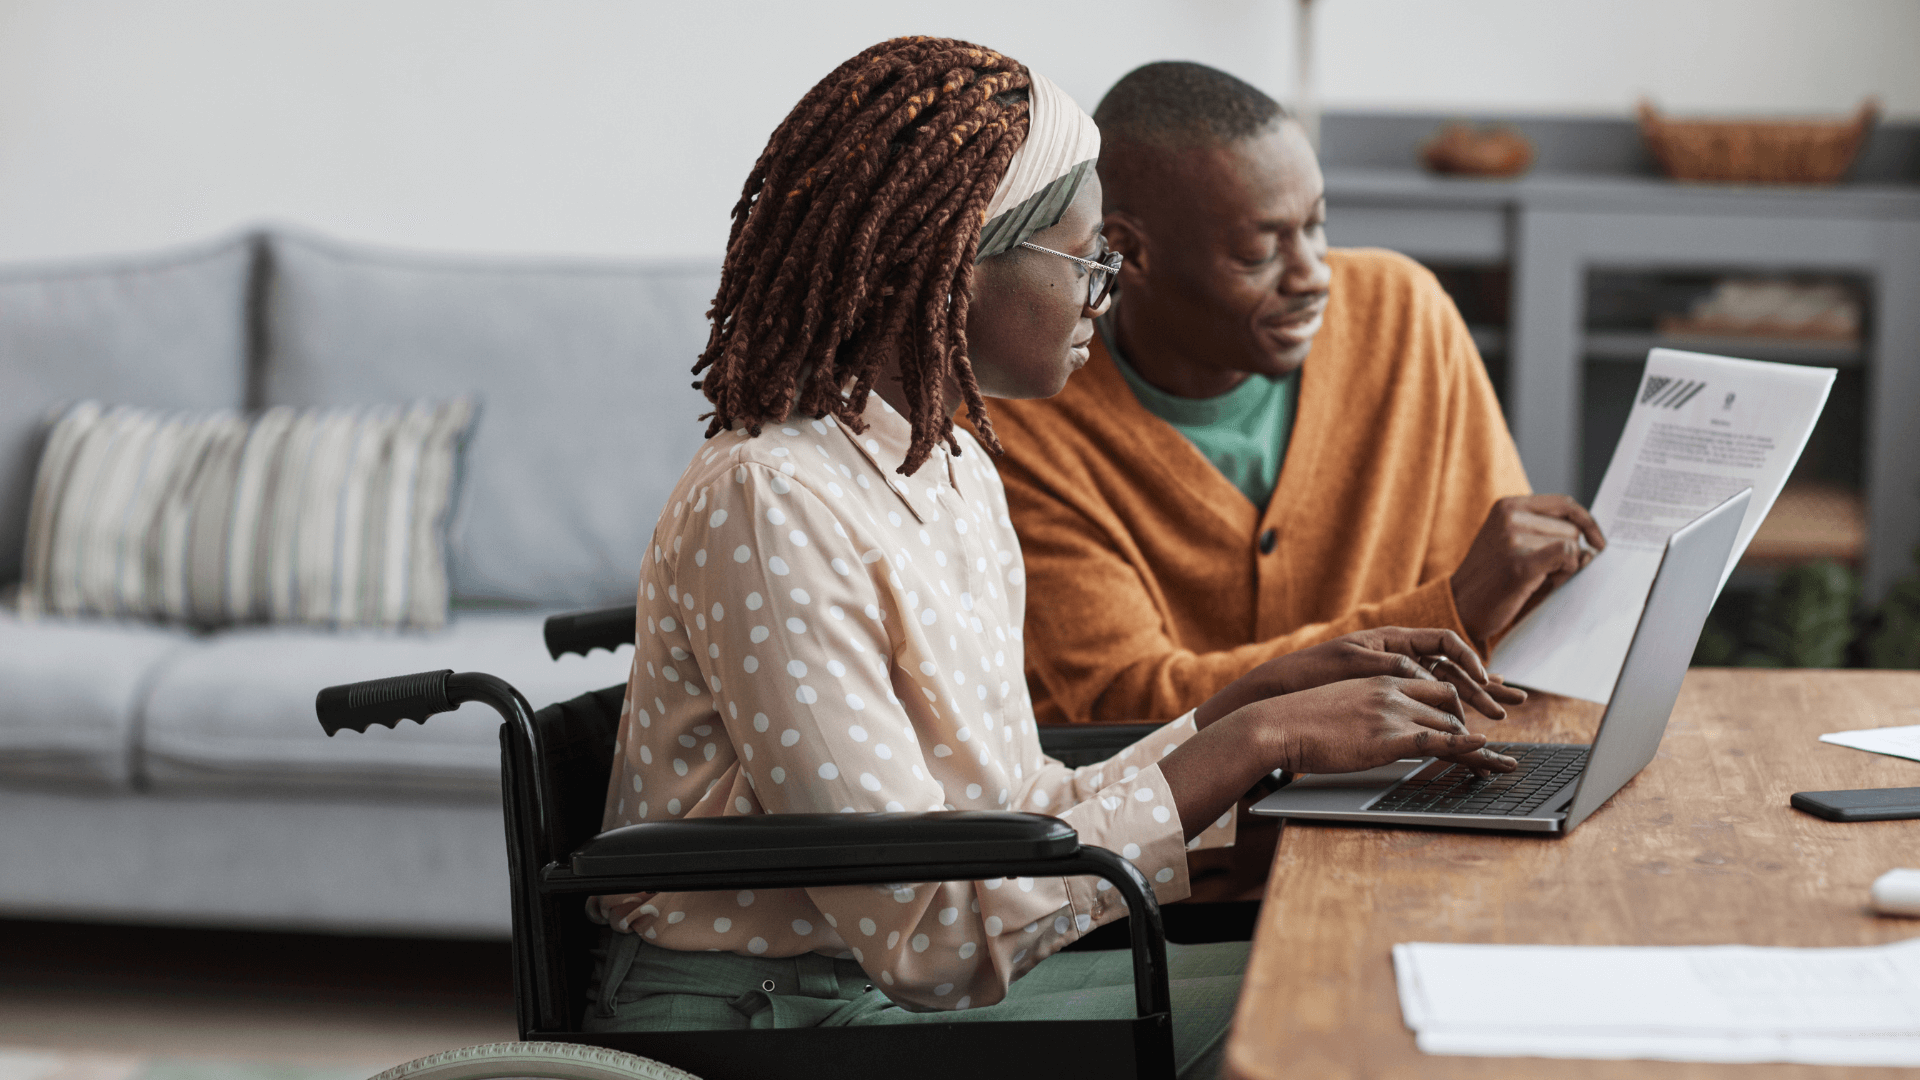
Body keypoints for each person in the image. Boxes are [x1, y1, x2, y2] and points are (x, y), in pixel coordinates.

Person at [584, 37, 1516, 1080]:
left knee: (1354, 977)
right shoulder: (769, 500)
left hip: (887, 991)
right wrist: (1251, 743)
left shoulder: (953, 469)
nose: (1105, 295)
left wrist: (1241, 710)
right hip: (773, 1018)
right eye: (1088, 261)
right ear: (952, 264)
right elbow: (929, 931)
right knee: (1340, 1021)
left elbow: (1015, 813)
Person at [981, 62, 1607, 726]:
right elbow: (1125, 706)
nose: (1312, 276)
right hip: (1178, 826)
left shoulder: (1403, 314)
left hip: (1415, 781)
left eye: (1316, 226)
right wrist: (1448, 612)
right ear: (1131, 254)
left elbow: (1513, 627)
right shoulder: (1021, 419)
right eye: (1259, 253)